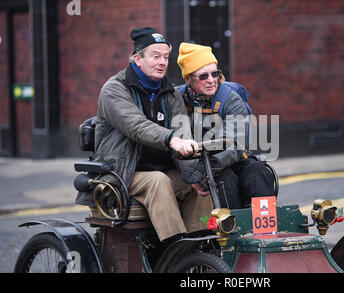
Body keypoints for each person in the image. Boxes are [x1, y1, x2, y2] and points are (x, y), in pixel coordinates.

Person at [75, 28, 212, 245]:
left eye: (166, 57)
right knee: (158, 182)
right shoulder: (114, 90)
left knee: (200, 185)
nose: (162, 62)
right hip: (121, 173)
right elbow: (136, 126)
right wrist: (172, 140)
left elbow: (182, 130)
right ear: (138, 59)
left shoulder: (170, 93)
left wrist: (192, 173)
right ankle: (177, 250)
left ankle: (202, 247)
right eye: (155, 56)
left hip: (160, 170)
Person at [176, 42, 275, 209]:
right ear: (188, 79)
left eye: (215, 74)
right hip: (198, 166)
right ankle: (231, 232)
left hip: (232, 158)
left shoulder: (230, 97)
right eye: (203, 76)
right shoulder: (177, 99)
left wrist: (207, 168)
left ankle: (265, 232)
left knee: (259, 174)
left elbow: (235, 143)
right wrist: (192, 174)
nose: (211, 81)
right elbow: (176, 142)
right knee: (224, 181)